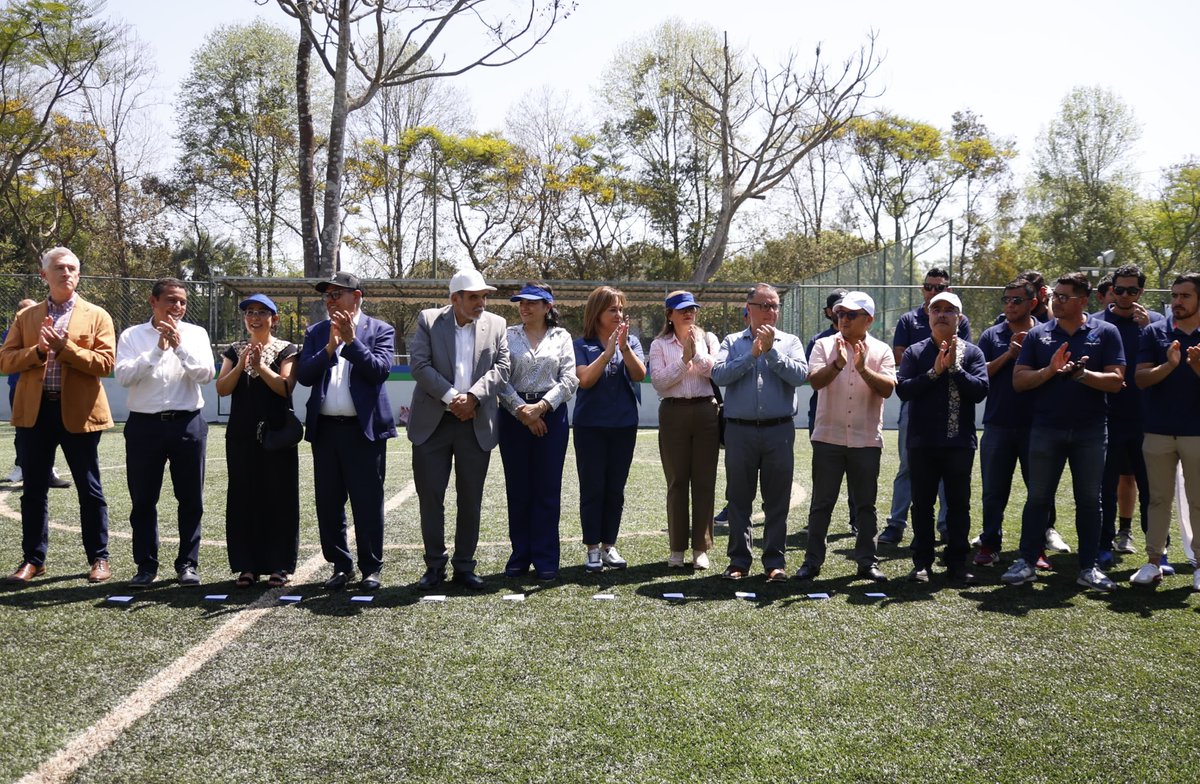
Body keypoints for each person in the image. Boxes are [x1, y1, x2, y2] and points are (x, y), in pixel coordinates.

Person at [1002, 273, 1125, 591]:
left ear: (1083, 300)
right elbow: (1019, 381)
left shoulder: (1106, 332)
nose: (1056, 300)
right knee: (1038, 498)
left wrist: (1083, 375)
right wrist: (1050, 370)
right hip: (1045, 428)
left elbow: (1116, 381)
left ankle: (1089, 567)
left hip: (1091, 430)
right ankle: (1027, 562)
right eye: (1055, 295)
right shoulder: (1037, 335)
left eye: (1064, 296)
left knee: (1089, 500)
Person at [0, 247, 115, 585]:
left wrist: (65, 349)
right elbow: (5, 361)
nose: (67, 273)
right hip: (35, 414)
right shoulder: (26, 317)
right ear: (43, 275)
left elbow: (105, 364)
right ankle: (33, 560)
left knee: (89, 488)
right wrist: (38, 351)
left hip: (78, 412)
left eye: (72, 269)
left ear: (79, 275)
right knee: (33, 490)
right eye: (59, 268)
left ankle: (99, 558)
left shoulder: (97, 315)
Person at [409, 268, 510, 590]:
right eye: (474, 297)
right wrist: (454, 398)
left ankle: (465, 566)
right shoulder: (428, 320)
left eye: (484, 296)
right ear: (455, 299)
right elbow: (419, 365)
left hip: (475, 422)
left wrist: (474, 398)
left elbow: (503, 368)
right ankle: (434, 566)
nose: (481, 302)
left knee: (471, 499)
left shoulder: (497, 324)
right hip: (433, 423)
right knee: (431, 497)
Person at [296, 271, 397, 591]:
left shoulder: (380, 329)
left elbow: (379, 371)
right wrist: (329, 348)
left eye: (337, 294)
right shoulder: (316, 332)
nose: (330, 300)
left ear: (357, 296)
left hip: (363, 432)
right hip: (326, 431)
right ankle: (341, 565)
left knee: (367, 502)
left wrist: (351, 342)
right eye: (327, 296)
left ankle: (370, 568)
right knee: (328, 503)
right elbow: (305, 376)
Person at [115, 278, 214, 588]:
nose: (178, 306)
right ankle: (146, 566)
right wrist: (158, 351)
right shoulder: (133, 336)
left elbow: (207, 374)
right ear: (153, 302)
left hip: (188, 423)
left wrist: (180, 348)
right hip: (145, 426)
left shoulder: (196, 334)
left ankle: (188, 564)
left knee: (191, 499)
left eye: (182, 301)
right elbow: (124, 377)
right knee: (143, 500)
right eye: (171, 300)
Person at [711, 283, 808, 581]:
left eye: (774, 306)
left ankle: (774, 562)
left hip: (779, 430)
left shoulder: (790, 341)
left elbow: (801, 375)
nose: (770, 311)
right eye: (763, 305)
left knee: (777, 500)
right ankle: (739, 561)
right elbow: (719, 374)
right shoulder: (731, 341)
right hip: (739, 431)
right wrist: (752, 355)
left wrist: (771, 354)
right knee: (739, 499)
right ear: (749, 308)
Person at [795, 291, 894, 583]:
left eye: (851, 315)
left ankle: (867, 562)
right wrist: (837, 364)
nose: (844, 319)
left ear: (869, 320)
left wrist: (863, 368)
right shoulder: (824, 345)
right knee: (821, 503)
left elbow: (888, 389)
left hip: (865, 440)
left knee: (865, 505)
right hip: (828, 437)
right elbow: (814, 382)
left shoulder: (881, 350)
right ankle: (812, 561)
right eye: (840, 314)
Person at [896, 292, 988, 584]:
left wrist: (954, 369)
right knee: (922, 505)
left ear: (959, 318)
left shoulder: (972, 353)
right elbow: (904, 390)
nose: (943, 315)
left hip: (959, 443)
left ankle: (957, 562)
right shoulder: (914, 352)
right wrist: (934, 372)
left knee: (959, 505)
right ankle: (922, 562)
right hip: (922, 443)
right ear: (928, 316)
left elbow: (979, 391)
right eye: (937, 309)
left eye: (950, 310)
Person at [879, 267, 971, 545]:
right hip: (918, 406)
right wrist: (933, 363)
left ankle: (944, 526)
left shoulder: (959, 317)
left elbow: (961, 350)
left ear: (949, 290)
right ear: (923, 290)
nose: (934, 292)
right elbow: (901, 355)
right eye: (929, 287)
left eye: (939, 287)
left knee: (948, 469)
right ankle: (896, 524)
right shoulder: (909, 319)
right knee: (908, 465)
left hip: (951, 407)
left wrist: (937, 360)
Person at [215, 294, 300, 588]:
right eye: (250, 312)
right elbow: (222, 388)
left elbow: (285, 387)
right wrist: (241, 365)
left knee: (279, 497)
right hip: (240, 435)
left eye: (262, 312)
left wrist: (261, 366)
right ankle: (246, 566)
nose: (255, 317)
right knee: (242, 497)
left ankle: (280, 566)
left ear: (273, 319)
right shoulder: (233, 351)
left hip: (277, 435)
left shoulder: (286, 349)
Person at [498, 282, 576, 581]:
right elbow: (501, 378)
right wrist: (523, 412)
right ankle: (520, 555)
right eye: (521, 302)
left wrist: (541, 408)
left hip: (551, 418)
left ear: (548, 307)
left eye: (532, 302)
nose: (524, 307)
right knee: (518, 490)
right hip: (514, 418)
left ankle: (545, 557)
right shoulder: (507, 335)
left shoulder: (562, 336)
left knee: (546, 490)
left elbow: (569, 379)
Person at [1129, 272, 1200, 587]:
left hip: (1197, 432)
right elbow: (1140, 379)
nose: (1177, 302)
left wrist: (1196, 366)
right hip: (1157, 431)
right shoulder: (1154, 332)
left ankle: (1198, 565)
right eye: (1174, 295)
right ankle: (1153, 562)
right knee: (1157, 499)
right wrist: (1169, 365)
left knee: (1199, 500)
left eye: (1185, 296)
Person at [1092, 264, 1161, 564]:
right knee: (1105, 487)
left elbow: (1169, 364)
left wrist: (1149, 331)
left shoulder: (1157, 323)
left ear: (1141, 292)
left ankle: (1158, 551)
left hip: (1148, 420)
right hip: (1104, 418)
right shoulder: (1094, 323)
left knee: (1152, 490)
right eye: (1119, 289)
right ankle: (1104, 544)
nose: (1124, 295)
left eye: (1132, 290)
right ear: (1111, 290)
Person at [573, 285, 645, 573]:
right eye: (612, 309)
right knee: (592, 488)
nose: (619, 314)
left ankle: (609, 546)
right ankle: (591, 548)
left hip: (624, 426)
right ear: (597, 312)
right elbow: (585, 380)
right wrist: (607, 352)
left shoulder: (633, 342)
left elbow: (639, 374)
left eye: (621, 309)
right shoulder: (581, 344)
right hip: (589, 426)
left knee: (615, 489)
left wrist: (624, 347)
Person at [649, 290, 721, 570]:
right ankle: (677, 548)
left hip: (706, 411)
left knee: (704, 481)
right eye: (681, 310)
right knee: (677, 482)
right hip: (673, 412)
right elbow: (659, 382)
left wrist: (696, 352)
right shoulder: (659, 344)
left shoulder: (709, 339)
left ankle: (700, 548)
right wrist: (683, 360)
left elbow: (714, 370)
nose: (688, 313)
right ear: (669, 315)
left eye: (691, 309)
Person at [975, 280, 1039, 567]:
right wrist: (1009, 355)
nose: (1010, 305)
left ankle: (1035, 548)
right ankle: (990, 544)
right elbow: (979, 374)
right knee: (993, 491)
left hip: (1037, 426)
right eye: (1006, 300)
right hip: (998, 424)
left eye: (1016, 300)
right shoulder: (992, 335)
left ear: (1032, 303)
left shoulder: (1045, 334)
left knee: (1039, 490)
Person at [5, 298, 71, 489]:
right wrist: (39, 349)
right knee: (24, 432)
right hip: (21, 389)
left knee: (53, 434)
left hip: (48, 390)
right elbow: (8, 358)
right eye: (30, 310)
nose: (37, 312)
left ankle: (49, 471)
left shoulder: (51, 328)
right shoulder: (11, 332)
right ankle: (21, 467)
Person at [805, 288, 856, 534]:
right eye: (838, 309)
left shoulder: (866, 341)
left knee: (859, 477)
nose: (843, 315)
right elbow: (812, 378)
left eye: (849, 310)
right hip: (822, 416)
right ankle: (816, 524)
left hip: (857, 422)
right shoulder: (818, 342)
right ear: (828, 312)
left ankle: (857, 520)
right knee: (823, 475)